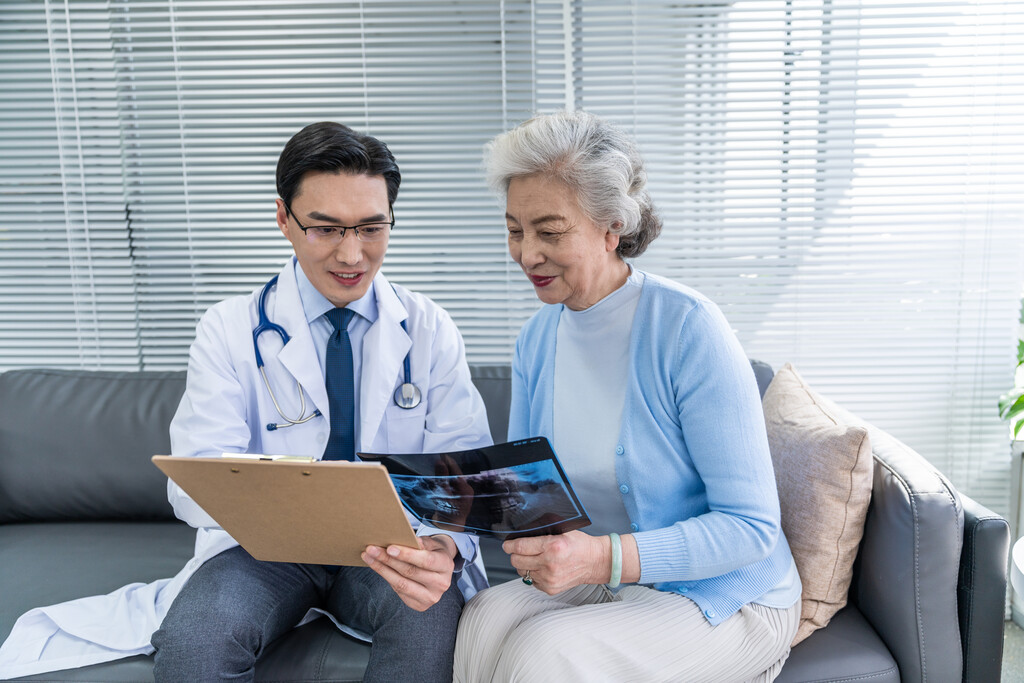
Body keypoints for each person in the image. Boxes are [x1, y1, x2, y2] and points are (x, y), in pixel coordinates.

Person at [0, 122, 492, 682]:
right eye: (326, 229)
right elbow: (194, 480)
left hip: (391, 549)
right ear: (284, 218)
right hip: (264, 549)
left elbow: (463, 466)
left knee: (427, 625)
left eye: (372, 228)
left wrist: (440, 547)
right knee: (196, 643)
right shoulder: (229, 328)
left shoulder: (428, 327)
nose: (352, 253)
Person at [453, 111, 802, 682]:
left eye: (550, 230)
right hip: (605, 581)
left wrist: (598, 557)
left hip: (724, 594)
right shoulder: (537, 338)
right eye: (515, 229)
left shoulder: (688, 327)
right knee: (486, 614)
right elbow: (529, 494)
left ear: (611, 227)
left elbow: (751, 527)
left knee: (546, 651)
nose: (526, 253)